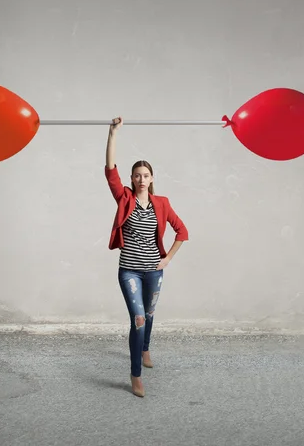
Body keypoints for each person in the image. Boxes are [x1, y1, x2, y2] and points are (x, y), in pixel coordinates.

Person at [104, 116, 189, 398]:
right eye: (136, 175)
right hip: (129, 270)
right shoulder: (124, 198)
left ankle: (145, 348)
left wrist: (167, 260)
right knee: (138, 319)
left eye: (146, 175)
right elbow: (110, 170)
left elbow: (182, 231)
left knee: (150, 315)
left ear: (152, 179)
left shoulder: (162, 203)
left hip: (154, 270)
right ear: (132, 179)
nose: (141, 179)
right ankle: (135, 374)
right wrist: (113, 134)